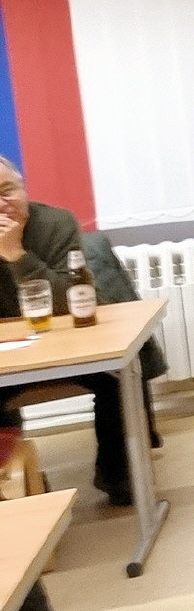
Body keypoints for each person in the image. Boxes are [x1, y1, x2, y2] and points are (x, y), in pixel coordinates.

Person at [0, 155, 158, 507]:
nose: (2, 204)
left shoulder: (55, 223)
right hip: (9, 354)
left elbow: (71, 300)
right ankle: (19, 477)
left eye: (7, 190)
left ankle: (118, 475)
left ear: (24, 188)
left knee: (118, 376)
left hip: (67, 341)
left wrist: (16, 255)